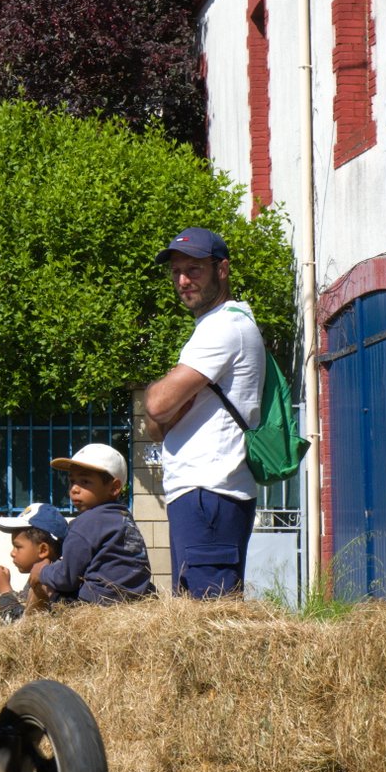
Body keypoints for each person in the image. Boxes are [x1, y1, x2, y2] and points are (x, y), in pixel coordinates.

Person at [143, 227, 265, 598]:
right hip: (204, 493)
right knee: (195, 618)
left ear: (222, 270)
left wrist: (161, 398)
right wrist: (165, 407)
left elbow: (157, 406)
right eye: (176, 271)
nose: (183, 280)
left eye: (194, 270)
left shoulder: (224, 327)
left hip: (208, 491)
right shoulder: (217, 326)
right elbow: (155, 425)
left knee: (209, 619)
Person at [26, 443, 155, 607]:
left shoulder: (86, 523)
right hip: (134, 605)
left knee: (47, 587)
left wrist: (42, 572)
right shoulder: (124, 518)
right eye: (72, 481)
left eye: (85, 481)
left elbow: (66, 577)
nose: (74, 489)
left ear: (114, 487)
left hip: (98, 603)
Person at [0, 502, 67, 622]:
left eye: (18, 547)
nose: (12, 553)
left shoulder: (47, 582)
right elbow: (24, 603)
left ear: (43, 550)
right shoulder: (42, 574)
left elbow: (21, 624)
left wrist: (5, 590)